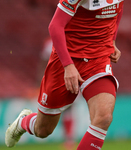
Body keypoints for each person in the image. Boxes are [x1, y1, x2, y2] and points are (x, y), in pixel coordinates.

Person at [5, 0, 124, 149]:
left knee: (104, 117)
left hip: (98, 59)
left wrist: (111, 40)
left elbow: (117, 7)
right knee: (43, 130)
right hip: (67, 59)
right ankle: (23, 122)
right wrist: (68, 66)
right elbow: (55, 26)